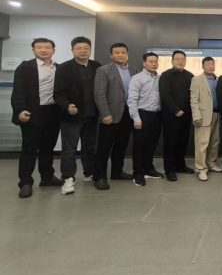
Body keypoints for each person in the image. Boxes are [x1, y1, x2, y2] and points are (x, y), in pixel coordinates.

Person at [12, 38, 63, 199]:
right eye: (39, 47)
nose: (43, 50)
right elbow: (18, 92)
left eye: (47, 47)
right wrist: (20, 110)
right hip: (32, 112)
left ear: (53, 51)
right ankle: (25, 182)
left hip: (53, 112)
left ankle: (47, 177)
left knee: (48, 147)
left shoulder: (59, 68)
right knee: (29, 149)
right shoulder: (25, 67)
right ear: (33, 50)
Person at [54, 37, 102, 195]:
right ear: (72, 50)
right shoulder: (64, 68)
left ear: (90, 50)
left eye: (86, 48)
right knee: (69, 150)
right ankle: (68, 178)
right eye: (79, 48)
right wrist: (67, 106)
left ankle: (89, 173)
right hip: (72, 116)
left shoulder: (97, 66)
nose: (83, 51)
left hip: (92, 115)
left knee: (90, 147)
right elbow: (59, 92)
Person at [93, 43, 139, 191]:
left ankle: (117, 172)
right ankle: (99, 177)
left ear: (127, 54)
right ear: (111, 55)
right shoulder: (103, 70)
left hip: (128, 114)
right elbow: (99, 94)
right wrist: (105, 113)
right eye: (117, 52)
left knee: (121, 145)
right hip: (110, 115)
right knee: (104, 148)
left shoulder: (133, 70)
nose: (120, 55)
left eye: (123, 52)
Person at [128, 53, 163, 187]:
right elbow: (132, 100)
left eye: (156, 61)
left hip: (157, 115)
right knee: (139, 146)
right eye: (151, 61)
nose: (154, 64)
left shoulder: (159, 78)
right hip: (142, 115)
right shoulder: (137, 78)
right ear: (144, 63)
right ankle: (138, 173)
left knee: (152, 144)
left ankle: (148, 169)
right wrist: (136, 119)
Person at [160, 51, 195, 182]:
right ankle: (169, 170)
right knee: (170, 143)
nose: (180, 61)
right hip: (171, 116)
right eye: (177, 59)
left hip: (186, 116)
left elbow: (193, 95)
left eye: (183, 59)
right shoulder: (165, 75)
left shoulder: (190, 76)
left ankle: (180, 165)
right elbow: (165, 94)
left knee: (183, 142)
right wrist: (175, 110)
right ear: (172, 61)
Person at [191, 57, 222, 182]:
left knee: (215, 142)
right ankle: (201, 168)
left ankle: (211, 164)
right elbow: (194, 99)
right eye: (208, 64)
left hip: (216, 114)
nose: (210, 66)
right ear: (203, 66)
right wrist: (196, 116)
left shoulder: (218, 79)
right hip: (203, 116)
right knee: (202, 144)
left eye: (212, 64)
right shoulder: (196, 79)